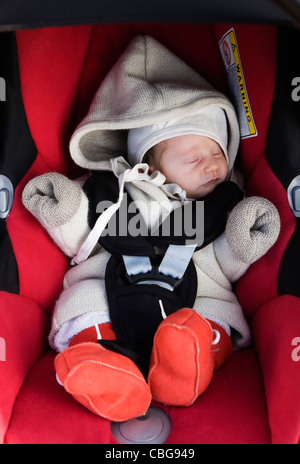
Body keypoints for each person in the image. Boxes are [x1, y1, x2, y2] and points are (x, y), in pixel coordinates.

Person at [22, 35, 280, 422]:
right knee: (84, 304)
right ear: (151, 165)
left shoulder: (221, 203)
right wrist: (63, 208)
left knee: (214, 316)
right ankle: (104, 370)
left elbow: (225, 258)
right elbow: (84, 233)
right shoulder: (115, 191)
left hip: (194, 294)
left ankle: (186, 364)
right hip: (111, 284)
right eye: (194, 157)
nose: (213, 166)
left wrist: (245, 239)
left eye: (218, 153)